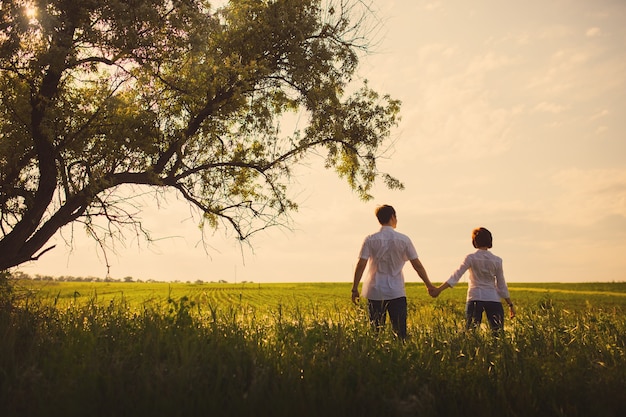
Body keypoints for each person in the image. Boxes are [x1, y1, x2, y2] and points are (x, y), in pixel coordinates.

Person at [351, 204, 434, 339]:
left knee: (376, 333)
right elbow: (417, 265)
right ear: (392, 217)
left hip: (375, 291)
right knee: (400, 333)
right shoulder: (404, 239)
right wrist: (429, 285)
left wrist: (355, 289)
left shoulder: (370, 239)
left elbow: (361, 264)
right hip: (396, 292)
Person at [429, 227, 516, 333]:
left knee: (471, 333)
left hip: (475, 297)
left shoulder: (470, 258)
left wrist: (439, 289)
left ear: (474, 241)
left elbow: (456, 276)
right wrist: (510, 304)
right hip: (493, 299)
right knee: (497, 334)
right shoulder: (497, 260)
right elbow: (501, 285)